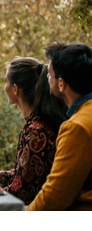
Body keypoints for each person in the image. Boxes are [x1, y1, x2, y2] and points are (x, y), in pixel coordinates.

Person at [0, 57, 68, 205]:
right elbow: (23, 177)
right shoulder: (35, 124)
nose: (4, 87)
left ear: (15, 88)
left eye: (6, 82)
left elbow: (21, 192)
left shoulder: (36, 132)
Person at [28, 43, 92, 210]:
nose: (47, 80)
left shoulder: (77, 127)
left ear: (61, 84)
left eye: (50, 75)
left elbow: (54, 198)